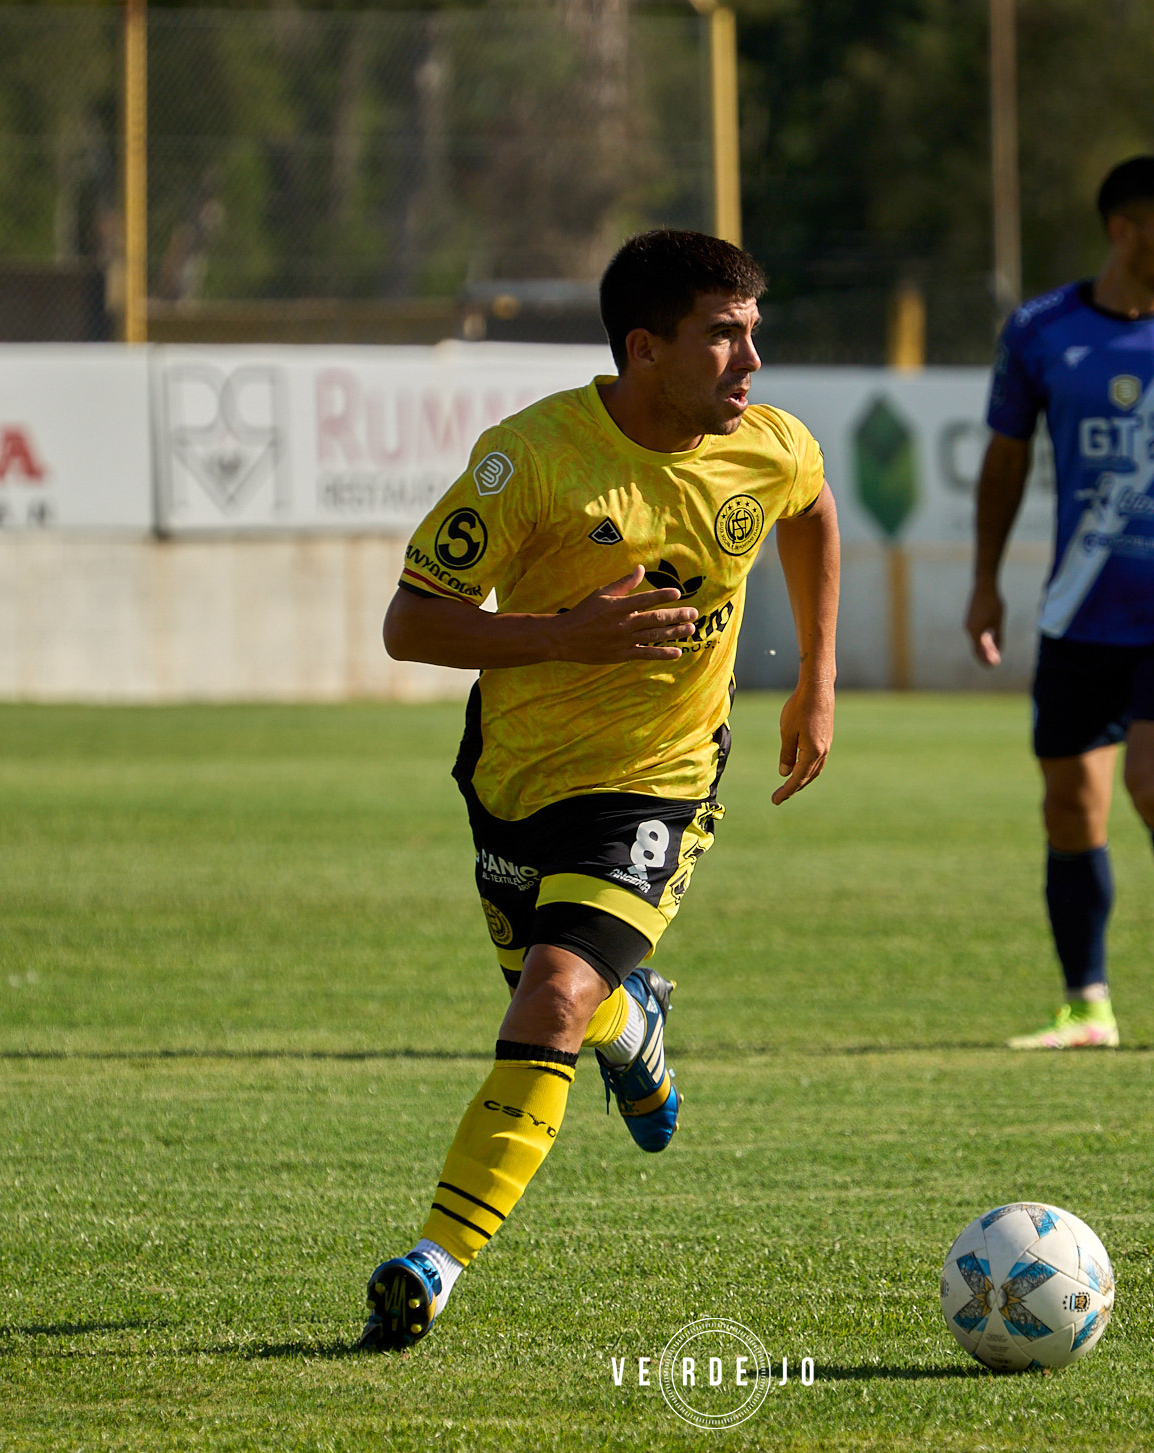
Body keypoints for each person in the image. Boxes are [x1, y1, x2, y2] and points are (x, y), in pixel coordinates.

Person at [360, 229, 839, 1350]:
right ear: (644, 347)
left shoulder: (764, 447)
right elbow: (408, 623)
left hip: (659, 781)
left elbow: (810, 507)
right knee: (564, 996)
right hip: (517, 779)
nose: (749, 362)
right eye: (723, 336)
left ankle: (432, 1260)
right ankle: (639, 1027)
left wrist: (813, 680)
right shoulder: (528, 461)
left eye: (752, 334)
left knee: (551, 996)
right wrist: (566, 638)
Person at [963, 156, 1154, 1052]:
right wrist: (985, 580)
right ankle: (1087, 1005)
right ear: (1123, 230)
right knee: (1070, 807)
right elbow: (1005, 463)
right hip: (1074, 611)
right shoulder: (1040, 331)